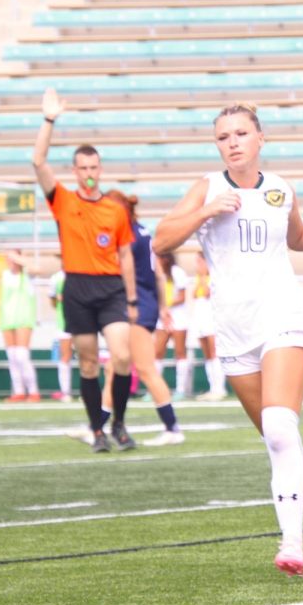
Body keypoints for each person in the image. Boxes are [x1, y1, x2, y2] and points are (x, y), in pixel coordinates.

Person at [152, 101, 303, 577]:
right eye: (223, 137)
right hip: (233, 328)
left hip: (283, 316)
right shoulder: (207, 188)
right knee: (281, 438)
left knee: (278, 427)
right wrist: (206, 211)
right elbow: (160, 240)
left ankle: (292, 542)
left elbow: (297, 238)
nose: (232, 142)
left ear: (259, 138)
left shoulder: (280, 189)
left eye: (240, 134)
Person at [32, 88, 138, 453]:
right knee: (89, 362)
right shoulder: (62, 200)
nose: (89, 174)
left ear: (99, 169)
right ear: (75, 171)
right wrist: (49, 120)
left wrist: (133, 297)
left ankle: (120, 423)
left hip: (110, 289)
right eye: (83, 168)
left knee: (122, 356)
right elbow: (37, 162)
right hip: (76, 288)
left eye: (94, 168)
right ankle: (98, 431)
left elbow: (125, 256)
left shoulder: (115, 210)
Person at [96, 190, 184, 446]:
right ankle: (98, 425)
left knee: (143, 368)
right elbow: (157, 274)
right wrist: (163, 306)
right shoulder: (143, 231)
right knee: (115, 367)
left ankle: (172, 427)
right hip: (145, 304)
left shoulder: (127, 236)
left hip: (134, 306)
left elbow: (125, 272)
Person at [0, 249, 41, 403]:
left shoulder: (26, 275)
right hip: (7, 319)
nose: (10, 261)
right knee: (12, 357)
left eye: (13, 258)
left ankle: (33, 391)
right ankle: (19, 391)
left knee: (22, 356)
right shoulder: (5, 275)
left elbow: (37, 269)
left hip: (23, 318)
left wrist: (20, 259)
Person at [154, 252, 192, 400]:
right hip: (162, 318)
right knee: (157, 352)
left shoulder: (178, 273)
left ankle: (181, 389)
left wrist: (167, 304)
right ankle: (156, 390)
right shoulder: (156, 273)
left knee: (180, 352)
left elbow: (182, 296)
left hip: (179, 317)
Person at [190, 252, 228, 401]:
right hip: (199, 316)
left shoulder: (213, 277)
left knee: (214, 352)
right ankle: (212, 387)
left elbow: (207, 293)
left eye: (199, 261)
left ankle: (220, 388)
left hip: (211, 317)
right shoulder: (198, 278)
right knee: (206, 353)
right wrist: (200, 278)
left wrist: (204, 277)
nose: (197, 265)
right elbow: (194, 294)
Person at [48, 269, 73, 401]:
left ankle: (89, 392)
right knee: (65, 356)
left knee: (87, 356)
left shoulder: (80, 274)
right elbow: (52, 301)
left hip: (83, 320)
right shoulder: (56, 278)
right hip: (64, 322)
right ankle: (66, 392)